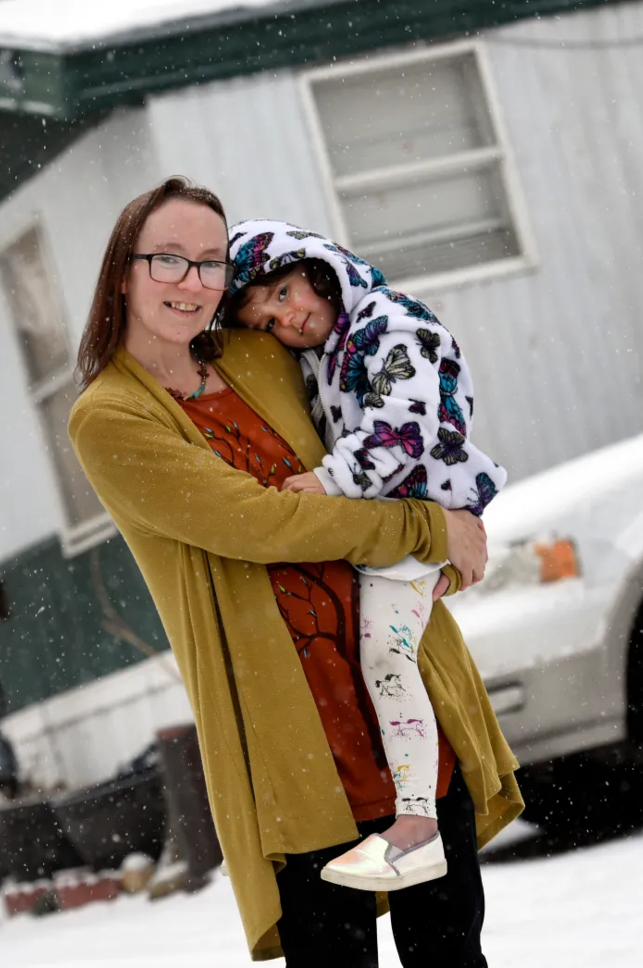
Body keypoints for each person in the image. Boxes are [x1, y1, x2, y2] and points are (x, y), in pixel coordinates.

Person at [68, 176, 522, 966]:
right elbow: (262, 523)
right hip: (298, 738)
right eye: (168, 259)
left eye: (211, 263)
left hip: (401, 689)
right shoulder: (110, 417)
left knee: (452, 950)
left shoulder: (262, 352)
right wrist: (430, 529)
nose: (193, 282)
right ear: (122, 272)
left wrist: (444, 519)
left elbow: (390, 409)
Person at [225, 220, 508, 893]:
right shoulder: (329, 350)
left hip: (420, 508)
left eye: (285, 293)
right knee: (379, 655)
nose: (288, 319)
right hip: (396, 523)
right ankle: (414, 820)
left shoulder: (388, 323)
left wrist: (331, 480)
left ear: (318, 268)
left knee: (386, 656)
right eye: (267, 322)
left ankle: (417, 827)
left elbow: (404, 425)